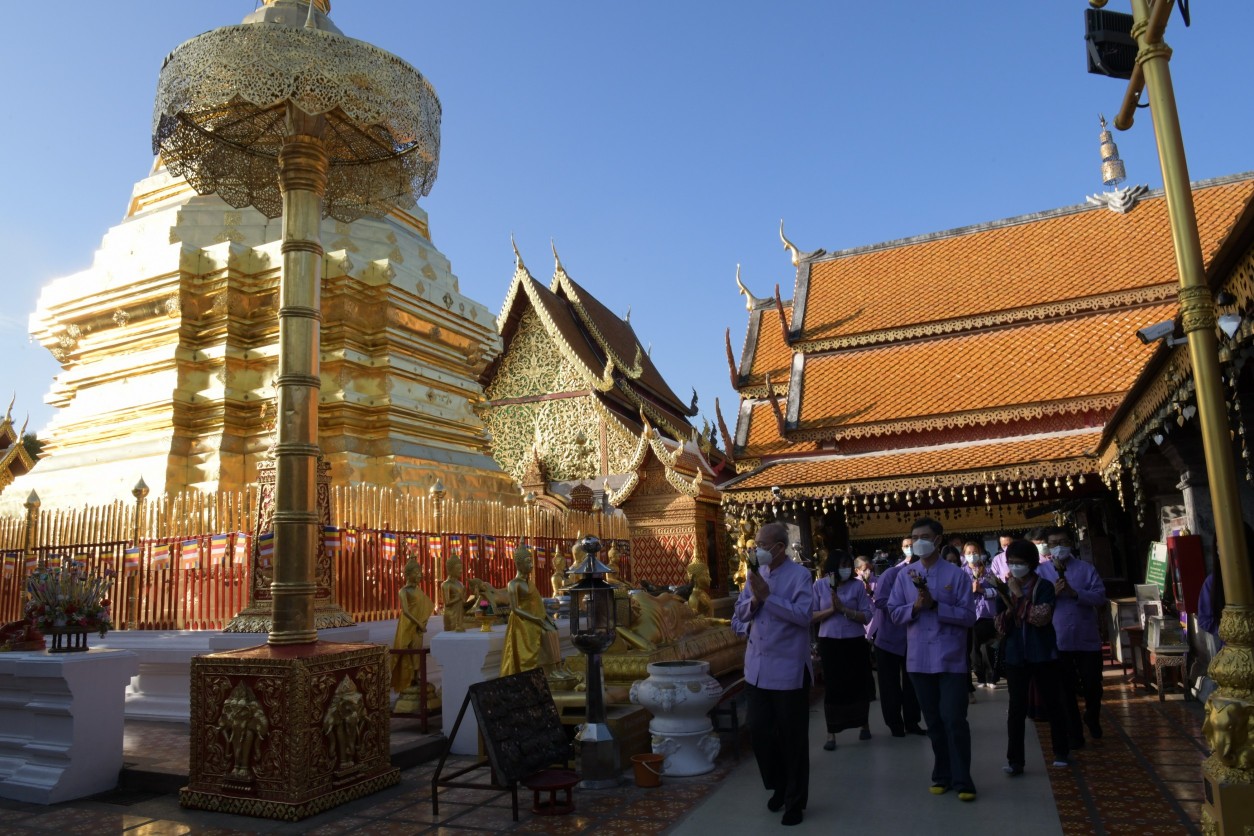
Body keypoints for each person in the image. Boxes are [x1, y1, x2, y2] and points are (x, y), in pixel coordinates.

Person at [889, 517, 978, 802]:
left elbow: (968, 616)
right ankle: (942, 774)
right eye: (914, 538)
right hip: (918, 659)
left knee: (954, 718)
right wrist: (914, 608)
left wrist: (936, 606)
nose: (918, 543)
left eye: (924, 537)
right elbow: (893, 613)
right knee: (934, 721)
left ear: (938, 539)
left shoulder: (957, 576)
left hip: (950, 658)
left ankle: (963, 778)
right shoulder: (904, 576)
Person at [732, 521, 813, 826]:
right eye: (755, 545)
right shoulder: (755, 574)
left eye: (763, 545)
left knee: (792, 738)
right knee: (759, 732)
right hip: (756, 668)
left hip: (788, 669)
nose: (757, 549)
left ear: (779, 548)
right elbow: (739, 613)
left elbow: (804, 616)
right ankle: (779, 785)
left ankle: (795, 800)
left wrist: (769, 598)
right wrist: (755, 598)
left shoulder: (800, 576)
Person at [997, 539, 1071, 774]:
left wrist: (1019, 599)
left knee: (1053, 703)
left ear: (1030, 564)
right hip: (1016, 655)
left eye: (1019, 563)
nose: (1014, 567)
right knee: (1016, 708)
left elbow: (1041, 617)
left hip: (1042, 653)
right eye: (1011, 563)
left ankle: (1061, 751)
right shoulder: (1004, 588)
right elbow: (999, 625)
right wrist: (1011, 607)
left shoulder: (1045, 587)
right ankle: (1015, 760)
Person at [1034, 526, 1107, 749]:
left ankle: (1092, 716)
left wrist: (1076, 593)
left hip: (1086, 637)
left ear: (1071, 543)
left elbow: (1100, 597)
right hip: (1058, 639)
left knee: (1093, 685)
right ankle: (1075, 733)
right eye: (1054, 543)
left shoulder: (1086, 569)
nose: (1059, 547)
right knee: (1065, 690)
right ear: (1047, 547)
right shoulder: (1041, 572)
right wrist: (1053, 594)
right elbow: (1035, 604)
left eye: (1063, 542)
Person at [812, 550, 874, 751]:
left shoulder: (857, 586)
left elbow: (867, 615)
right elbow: (810, 615)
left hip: (854, 640)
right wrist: (832, 610)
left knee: (858, 682)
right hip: (830, 642)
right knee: (833, 686)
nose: (846, 569)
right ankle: (832, 733)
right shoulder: (820, 586)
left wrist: (845, 610)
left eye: (848, 564)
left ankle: (863, 724)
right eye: (842, 565)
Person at [871, 536, 925, 738]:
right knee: (889, 684)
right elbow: (880, 601)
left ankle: (912, 722)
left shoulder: (921, 576)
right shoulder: (890, 574)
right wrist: (906, 608)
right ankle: (894, 723)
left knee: (912, 683)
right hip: (888, 638)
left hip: (912, 638)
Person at [500, 544, 560, 677]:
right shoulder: (513, 584)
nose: (531, 565)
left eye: (531, 561)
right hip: (522, 621)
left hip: (536, 618)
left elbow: (538, 603)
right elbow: (515, 609)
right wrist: (535, 619)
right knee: (545, 635)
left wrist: (546, 617)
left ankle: (555, 668)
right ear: (518, 564)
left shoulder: (530, 583)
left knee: (552, 631)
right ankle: (545, 672)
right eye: (528, 562)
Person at [391, 558, 435, 694]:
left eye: (420, 572)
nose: (419, 575)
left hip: (417, 628)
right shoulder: (403, 591)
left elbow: (426, 604)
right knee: (407, 653)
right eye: (416, 572)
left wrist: (423, 623)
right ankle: (407, 680)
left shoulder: (418, 590)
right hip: (408, 626)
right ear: (408, 574)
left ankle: (416, 677)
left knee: (417, 652)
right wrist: (419, 623)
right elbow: (406, 611)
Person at [965, 544, 1001, 689]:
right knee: (974, 648)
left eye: (975, 552)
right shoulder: (961, 573)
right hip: (972, 615)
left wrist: (982, 591)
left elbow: (998, 591)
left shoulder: (988, 572)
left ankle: (991, 675)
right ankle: (980, 675)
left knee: (988, 646)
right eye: (969, 552)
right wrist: (971, 591)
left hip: (988, 614)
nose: (972, 555)